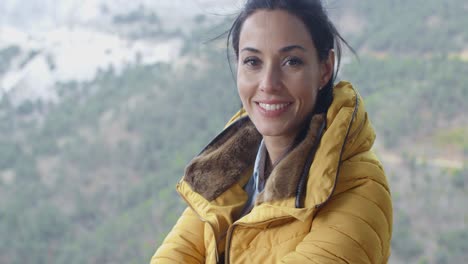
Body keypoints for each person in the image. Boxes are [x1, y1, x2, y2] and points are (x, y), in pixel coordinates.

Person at [151, 0, 392, 263]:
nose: (268, 84)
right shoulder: (226, 168)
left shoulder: (359, 186)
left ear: (325, 69)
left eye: (291, 62)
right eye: (253, 61)